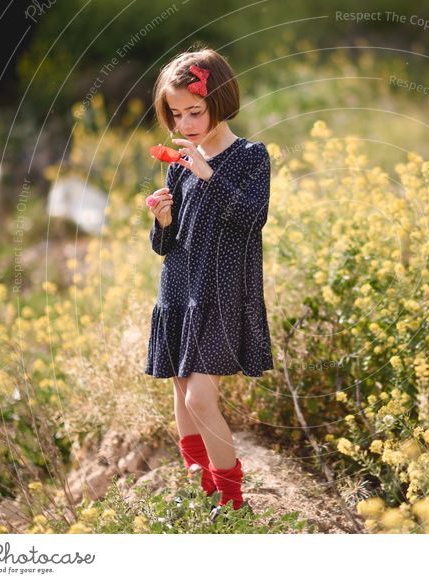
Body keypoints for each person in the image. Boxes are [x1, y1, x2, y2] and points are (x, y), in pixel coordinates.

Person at [144, 46, 274, 521]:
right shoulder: (177, 163)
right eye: (176, 115)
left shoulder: (250, 157)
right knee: (181, 390)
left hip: (222, 293)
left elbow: (251, 218)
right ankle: (200, 486)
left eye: (194, 111)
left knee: (201, 395)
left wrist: (207, 173)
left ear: (220, 101)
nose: (185, 124)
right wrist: (162, 219)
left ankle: (233, 501)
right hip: (180, 286)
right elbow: (165, 246)